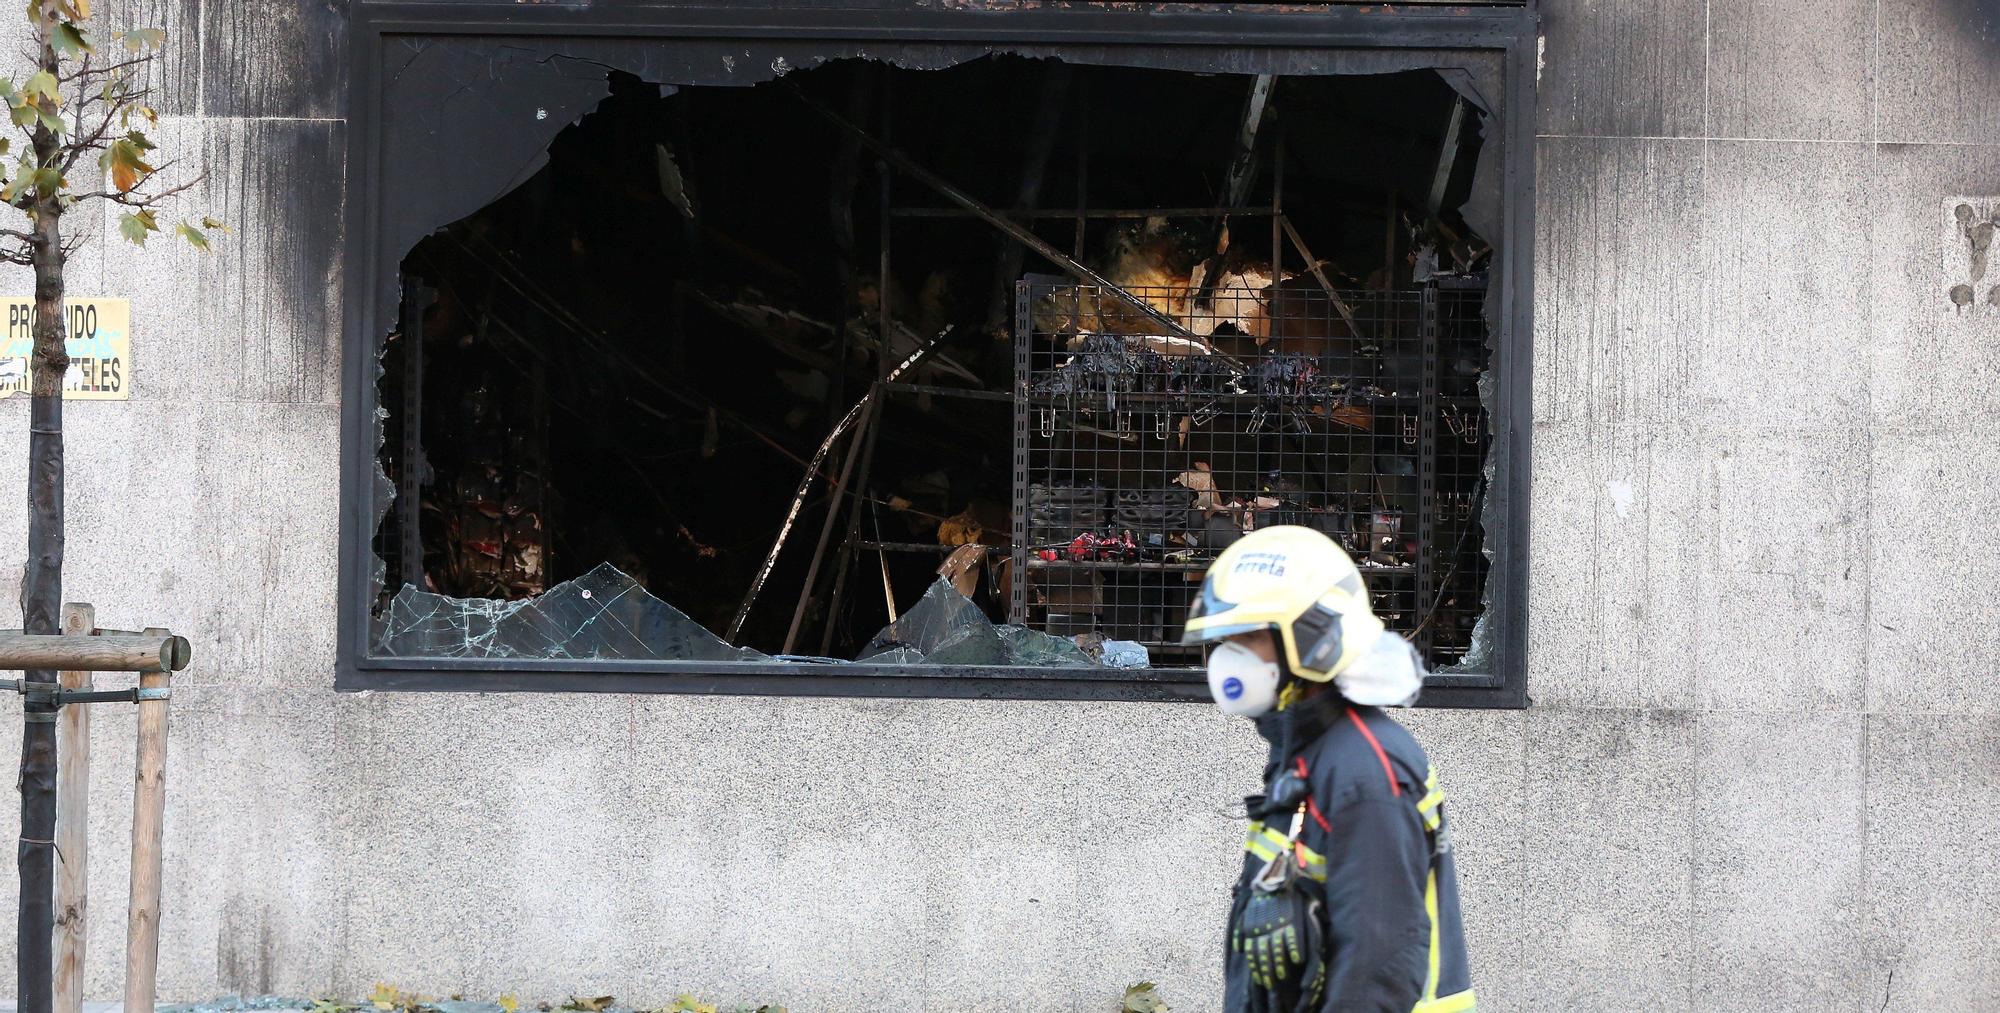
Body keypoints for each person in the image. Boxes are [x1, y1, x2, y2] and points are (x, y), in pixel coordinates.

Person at [1183, 526, 1475, 1013]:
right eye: (1226, 638)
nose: (1228, 657)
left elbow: (1377, 972)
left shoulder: (1365, 771)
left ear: (1311, 639)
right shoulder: (1312, 747)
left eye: (1249, 635)